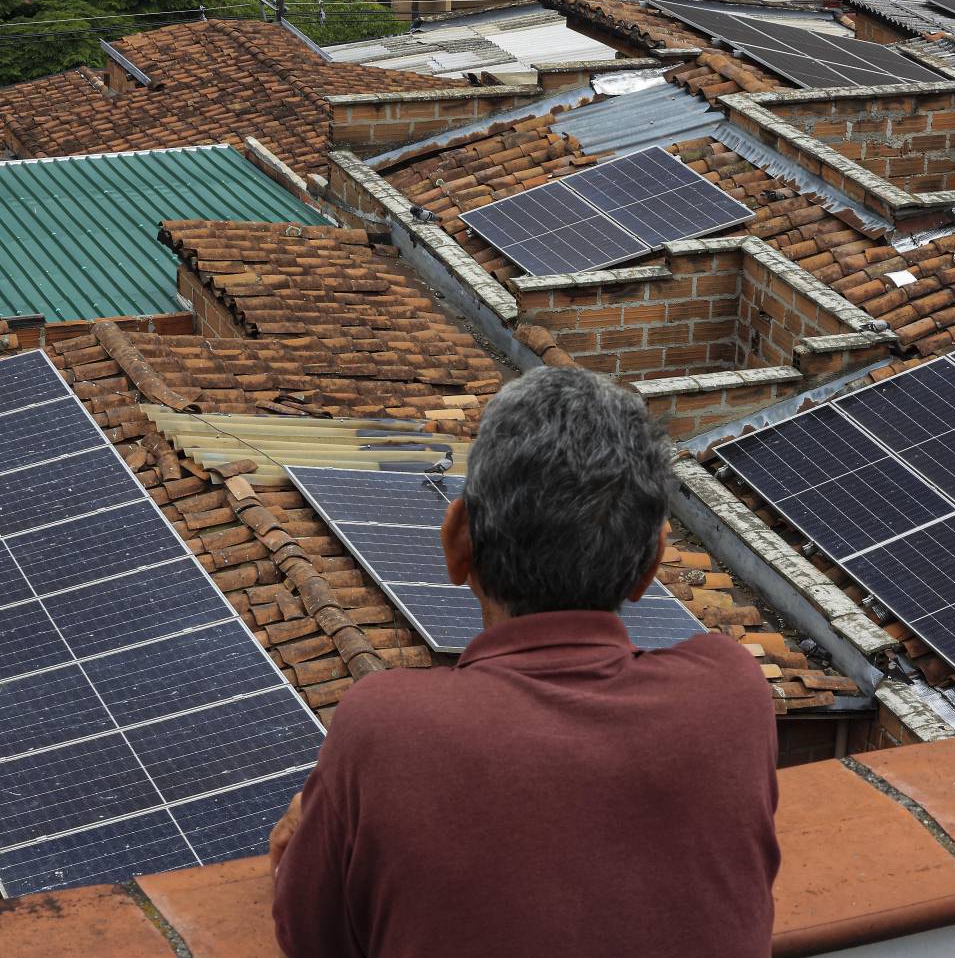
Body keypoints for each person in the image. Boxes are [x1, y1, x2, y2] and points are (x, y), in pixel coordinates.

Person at [271, 367, 780, 958]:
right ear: (651, 566)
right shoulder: (732, 694)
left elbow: (313, 939)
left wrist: (300, 853)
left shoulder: (386, 727)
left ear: (457, 540)